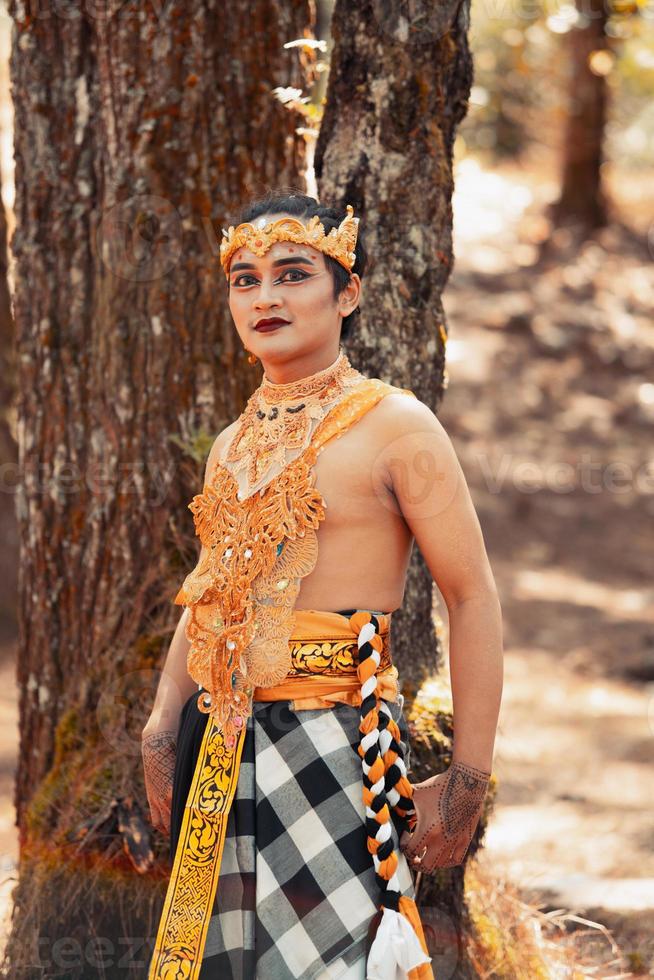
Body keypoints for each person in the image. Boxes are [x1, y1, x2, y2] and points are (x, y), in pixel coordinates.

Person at [142, 193, 503, 979]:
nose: (265, 297)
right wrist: (162, 719)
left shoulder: (397, 427)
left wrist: (469, 777)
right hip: (217, 748)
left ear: (348, 293)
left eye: (292, 274)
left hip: (336, 744)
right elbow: (209, 587)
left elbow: (473, 596)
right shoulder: (234, 443)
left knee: (325, 966)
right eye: (245, 279)